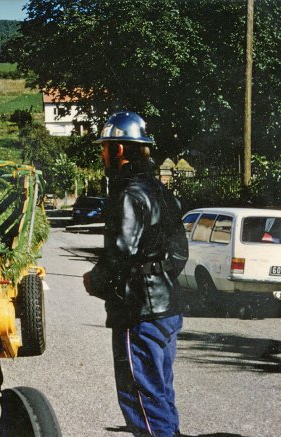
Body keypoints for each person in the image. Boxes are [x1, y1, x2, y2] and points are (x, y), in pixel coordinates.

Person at [82, 111, 188, 437]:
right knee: (160, 396)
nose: (102, 154)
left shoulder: (126, 193)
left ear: (120, 150)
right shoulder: (160, 189)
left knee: (143, 403)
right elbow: (181, 254)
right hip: (166, 309)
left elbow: (120, 254)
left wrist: (95, 281)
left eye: (105, 147)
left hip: (138, 313)